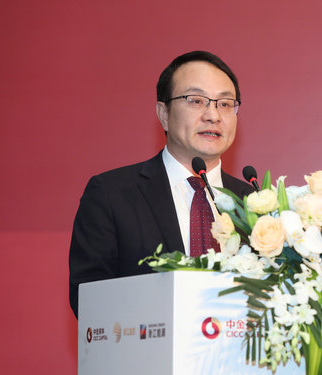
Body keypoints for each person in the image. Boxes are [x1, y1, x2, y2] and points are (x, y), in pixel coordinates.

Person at [69, 51, 254, 318]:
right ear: (163, 113)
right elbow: (89, 299)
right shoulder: (112, 195)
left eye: (225, 104)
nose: (213, 115)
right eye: (196, 101)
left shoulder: (255, 203)